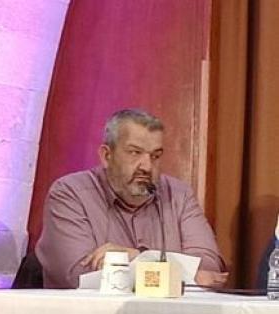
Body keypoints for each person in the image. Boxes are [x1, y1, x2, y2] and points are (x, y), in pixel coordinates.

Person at [36, 108, 227, 289]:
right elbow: (78, 275)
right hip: (95, 313)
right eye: (135, 152)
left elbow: (208, 269)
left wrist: (137, 258)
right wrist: (174, 271)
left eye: (155, 156)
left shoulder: (179, 195)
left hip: (168, 313)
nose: (147, 167)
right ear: (107, 155)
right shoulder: (70, 194)